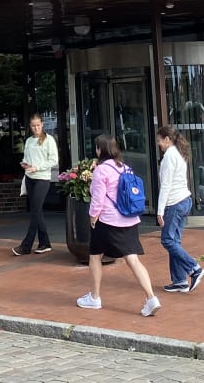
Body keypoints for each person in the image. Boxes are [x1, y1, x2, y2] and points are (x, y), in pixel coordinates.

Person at [77, 134, 160, 316]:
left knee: (95, 257)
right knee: (133, 259)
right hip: (129, 219)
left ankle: (95, 297)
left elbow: (98, 198)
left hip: (108, 220)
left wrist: (92, 217)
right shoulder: (125, 167)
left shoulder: (101, 170)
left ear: (100, 149)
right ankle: (151, 298)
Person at [156, 125, 204, 293]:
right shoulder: (178, 153)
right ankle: (179, 280)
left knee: (167, 241)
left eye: (159, 140)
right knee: (174, 241)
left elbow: (166, 185)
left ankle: (194, 268)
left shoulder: (169, 156)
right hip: (184, 200)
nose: (158, 144)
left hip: (174, 203)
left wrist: (160, 210)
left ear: (167, 139)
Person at [12, 113, 59, 256]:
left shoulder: (49, 140)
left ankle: (26, 246)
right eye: (33, 126)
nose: (36, 128)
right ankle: (45, 243)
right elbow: (26, 158)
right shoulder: (29, 141)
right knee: (37, 211)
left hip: (42, 179)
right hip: (29, 178)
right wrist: (25, 164)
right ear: (30, 126)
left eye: (38, 125)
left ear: (42, 125)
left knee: (35, 211)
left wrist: (37, 168)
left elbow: (54, 160)